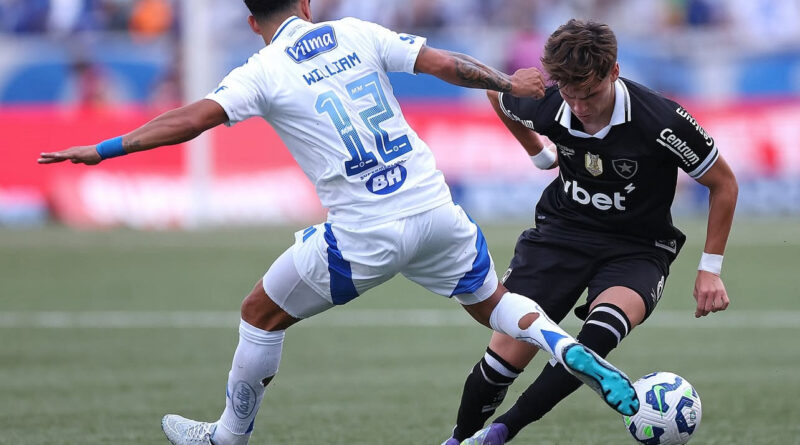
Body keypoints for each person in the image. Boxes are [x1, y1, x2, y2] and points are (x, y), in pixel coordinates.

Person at [38, 4, 640, 444]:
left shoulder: (261, 70)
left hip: (364, 233)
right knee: (495, 305)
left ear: (252, 22)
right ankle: (563, 344)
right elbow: (445, 65)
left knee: (259, 314)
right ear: (306, 4)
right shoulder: (354, 32)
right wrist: (508, 82)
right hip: (435, 209)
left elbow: (193, 119)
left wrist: (106, 148)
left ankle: (227, 437)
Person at [442, 19, 738, 445]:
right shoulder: (547, 103)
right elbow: (496, 94)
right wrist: (538, 152)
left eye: (590, 94)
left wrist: (710, 268)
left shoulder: (662, 120)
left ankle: (503, 432)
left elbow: (723, 183)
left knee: (596, 339)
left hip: (638, 248)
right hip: (561, 236)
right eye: (570, 94)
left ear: (614, 71)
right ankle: (461, 439)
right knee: (501, 362)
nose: (580, 106)